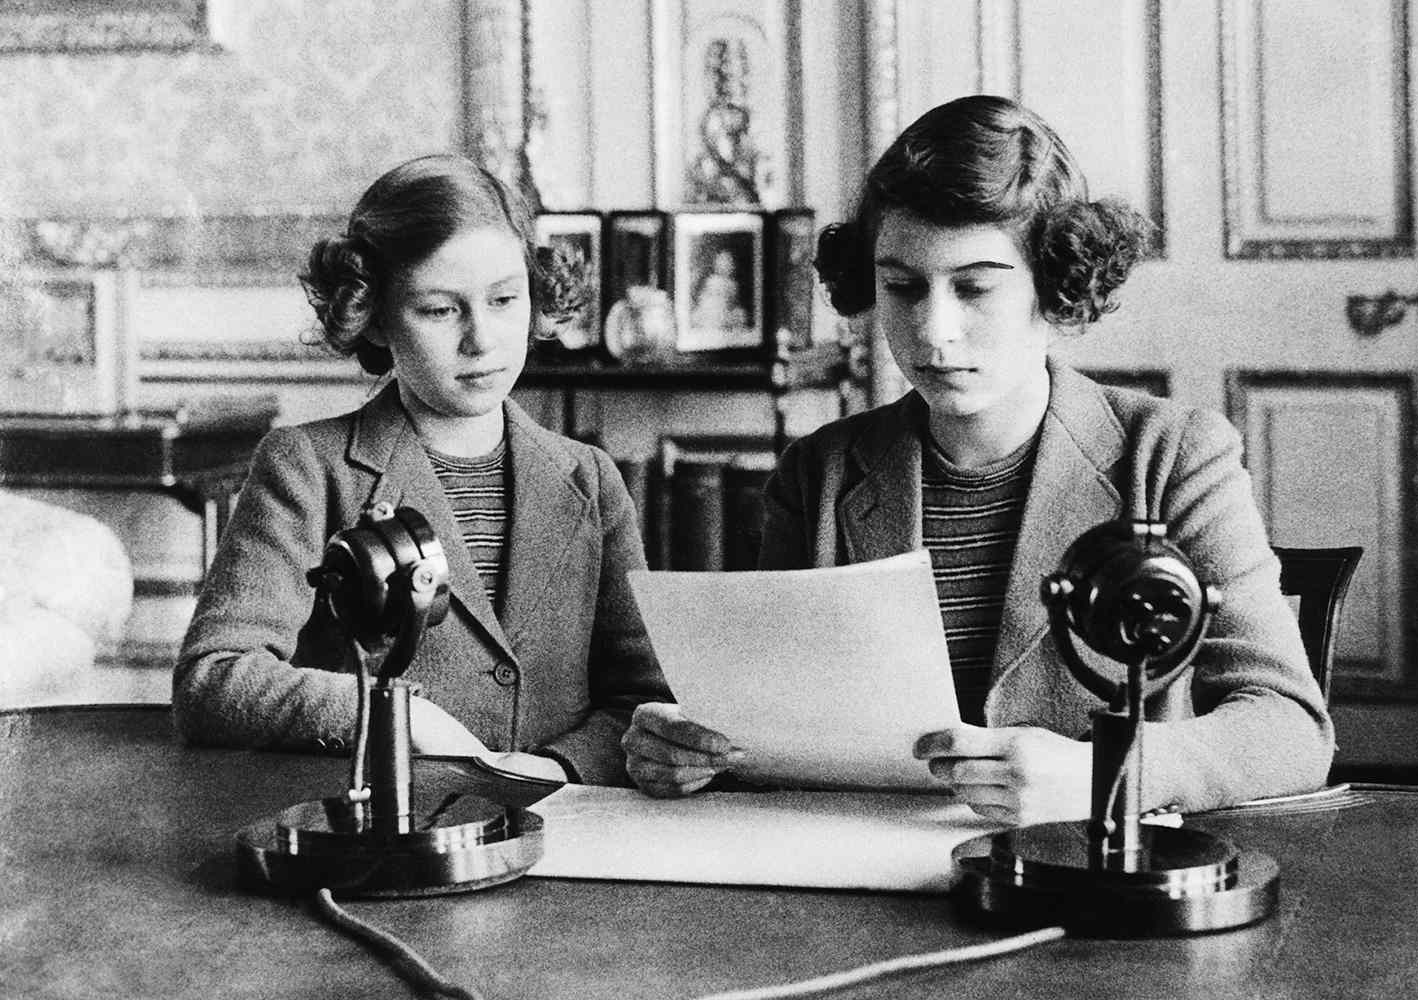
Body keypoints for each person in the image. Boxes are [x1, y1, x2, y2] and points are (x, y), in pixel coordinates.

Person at [622, 95, 1334, 821]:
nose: (934, 331)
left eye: (975, 288)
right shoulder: (819, 472)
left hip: (1090, 884)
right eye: (901, 287)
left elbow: (1288, 727)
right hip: (863, 886)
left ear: (1056, 288)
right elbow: (769, 731)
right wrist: (688, 750)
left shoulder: (1174, 455)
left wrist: (1105, 774)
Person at [174, 154, 669, 785]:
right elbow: (215, 677)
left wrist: (552, 769)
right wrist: (392, 718)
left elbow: (640, 703)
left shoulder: (592, 479)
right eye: (440, 310)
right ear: (373, 314)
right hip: (376, 833)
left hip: (560, 832)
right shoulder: (306, 467)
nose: (481, 339)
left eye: (504, 299)